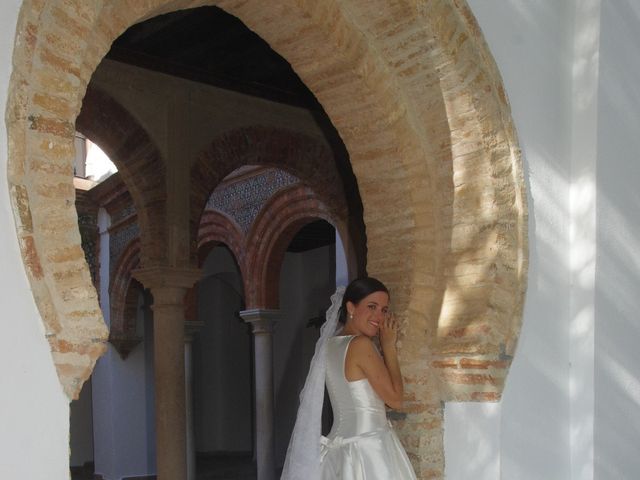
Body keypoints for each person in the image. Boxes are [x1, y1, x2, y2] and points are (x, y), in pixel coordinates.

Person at [281, 277, 417, 480]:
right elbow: (396, 400)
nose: (379, 317)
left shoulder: (329, 346)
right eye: (372, 306)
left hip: (339, 449)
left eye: (384, 310)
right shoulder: (361, 345)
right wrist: (388, 346)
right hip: (368, 449)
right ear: (351, 307)